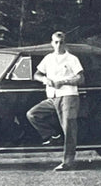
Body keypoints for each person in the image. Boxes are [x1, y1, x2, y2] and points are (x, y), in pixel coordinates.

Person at [26, 31, 85, 171]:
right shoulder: (48, 58)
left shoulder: (72, 59)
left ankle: (68, 162)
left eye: (61, 42)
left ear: (65, 43)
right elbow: (37, 74)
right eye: (56, 42)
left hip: (68, 96)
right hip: (52, 97)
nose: (58, 45)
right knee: (33, 114)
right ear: (52, 43)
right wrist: (44, 79)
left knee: (69, 128)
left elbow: (81, 78)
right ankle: (53, 136)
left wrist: (64, 81)